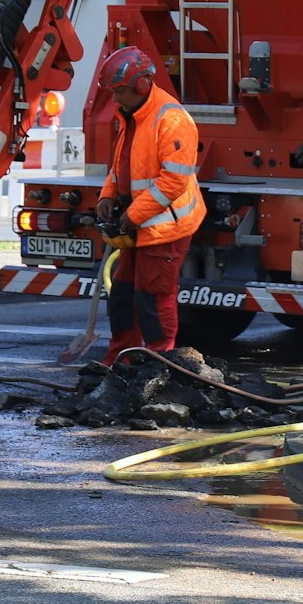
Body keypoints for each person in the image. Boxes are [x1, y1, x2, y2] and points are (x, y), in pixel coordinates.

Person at [93, 46, 205, 365]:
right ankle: (122, 360)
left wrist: (132, 215)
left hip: (166, 227)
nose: (116, 100)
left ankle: (159, 365)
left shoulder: (171, 119)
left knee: (153, 299)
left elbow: (173, 181)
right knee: (124, 296)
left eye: (121, 92)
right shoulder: (132, 115)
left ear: (142, 85)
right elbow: (122, 164)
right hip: (142, 225)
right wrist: (107, 194)